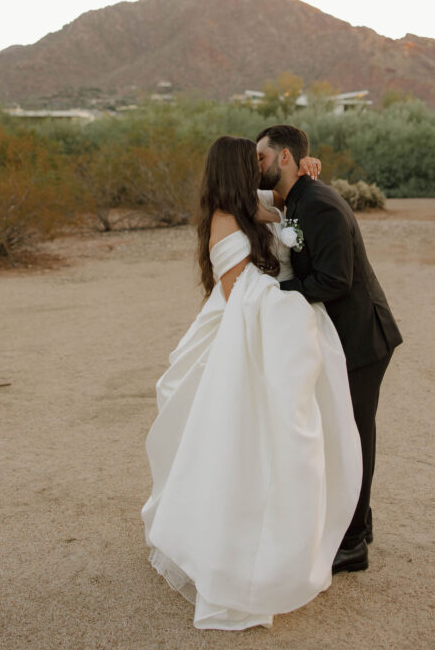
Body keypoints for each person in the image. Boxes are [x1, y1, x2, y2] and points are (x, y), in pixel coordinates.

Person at [141, 136, 363, 630]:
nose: (260, 168)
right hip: (242, 333)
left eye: (263, 159)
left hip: (269, 332)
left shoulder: (255, 204)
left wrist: (306, 169)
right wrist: (293, 296)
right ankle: (226, 545)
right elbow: (237, 290)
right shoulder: (224, 217)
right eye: (253, 162)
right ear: (236, 170)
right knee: (235, 439)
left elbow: (288, 196)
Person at [256, 124, 403, 575]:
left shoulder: (318, 204)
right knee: (344, 434)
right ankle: (361, 522)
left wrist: (279, 291)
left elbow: (336, 279)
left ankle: (354, 542)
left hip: (363, 338)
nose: (255, 165)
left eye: (261, 156)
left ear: (284, 158)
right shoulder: (296, 199)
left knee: (355, 436)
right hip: (343, 337)